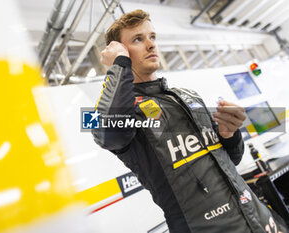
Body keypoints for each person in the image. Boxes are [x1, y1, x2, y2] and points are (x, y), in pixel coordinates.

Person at [91, 9, 288, 233]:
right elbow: (104, 133)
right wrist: (119, 66)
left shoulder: (188, 95)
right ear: (121, 52)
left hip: (260, 221)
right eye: (138, 39)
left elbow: (232, 159)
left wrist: (230, 135)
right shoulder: (125, 112)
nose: (151, 44)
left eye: (152, 37)